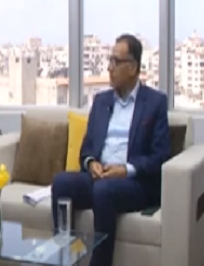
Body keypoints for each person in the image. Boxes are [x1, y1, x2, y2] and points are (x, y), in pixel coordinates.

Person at [50, 34, 171, 266]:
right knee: (61, 182)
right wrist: (90, 163)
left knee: (103, 191)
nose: (109, 68)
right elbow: (87, 148)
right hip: (99, 177)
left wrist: (125, 170)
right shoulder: (101, 101)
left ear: (133, 67)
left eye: (116, 61)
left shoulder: (155, 103)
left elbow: (160, 156)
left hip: (134, 184)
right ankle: (64, 260)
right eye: (110, 60)